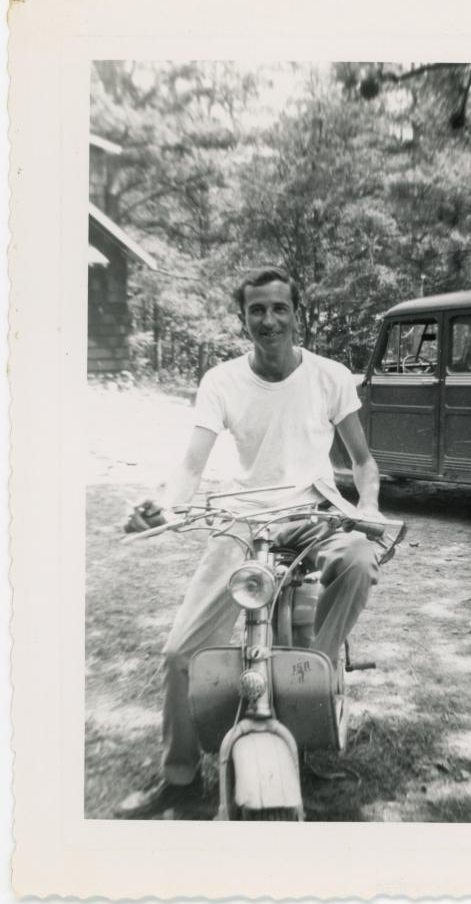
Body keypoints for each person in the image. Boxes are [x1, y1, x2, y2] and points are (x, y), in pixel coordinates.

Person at [115, 266, 383, 819]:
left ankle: (318, 667)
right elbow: (192, 462)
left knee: (359, 559)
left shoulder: (330, 376)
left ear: (296, 313)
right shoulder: (221, 381)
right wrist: (166, 504)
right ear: (243, 318)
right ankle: (180, 777)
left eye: (279, 308)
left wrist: (368, 509)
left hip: (314, 515)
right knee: (180, 652)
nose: (269, 319)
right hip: (241, 521)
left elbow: (363, 462)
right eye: (257, 310)